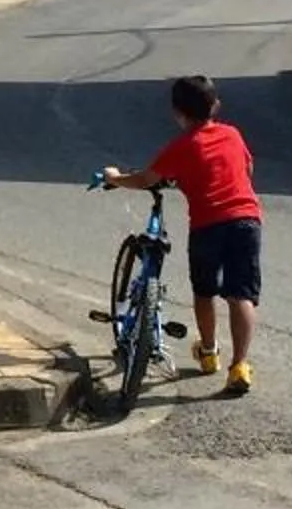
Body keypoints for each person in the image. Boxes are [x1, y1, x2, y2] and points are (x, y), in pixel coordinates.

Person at [101, 73, 261, 396]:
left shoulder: (182, 147)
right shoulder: (232, 134)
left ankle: (209, 352)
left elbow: (146, 179)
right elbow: (247, 169)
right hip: (247, 220)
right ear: (215, 105)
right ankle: (240, 365)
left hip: (208, 225)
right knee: (240, 295)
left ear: (177, 112)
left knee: (204, 291)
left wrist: (116, 178)